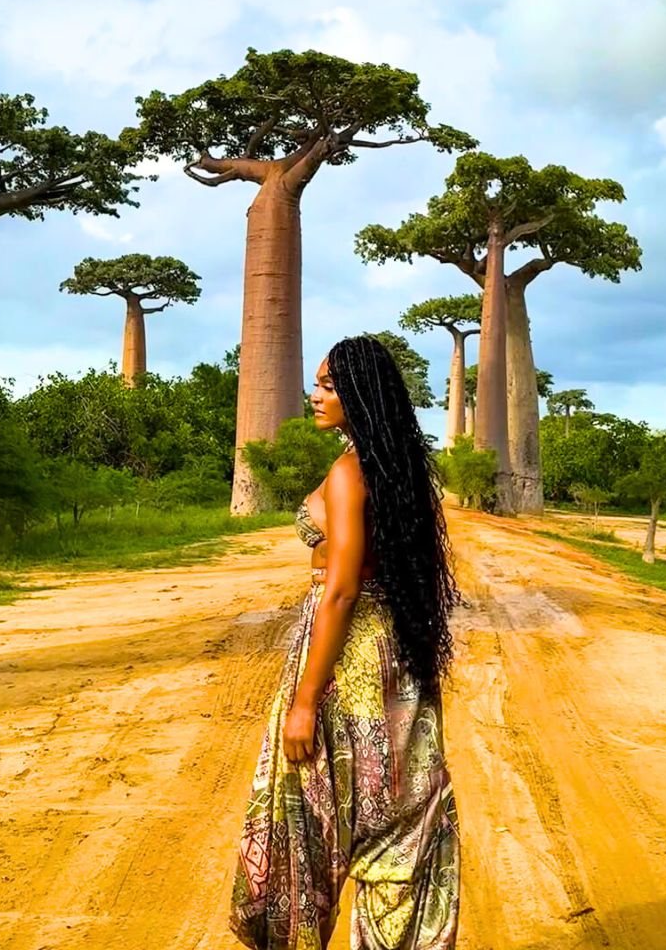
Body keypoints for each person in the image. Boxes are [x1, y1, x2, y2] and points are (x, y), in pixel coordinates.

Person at [229, 334, 461, 949]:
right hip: (398, 656)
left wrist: (305, 700)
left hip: (347, 655)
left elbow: (340, 590)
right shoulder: (398, 464)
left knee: (312, 806)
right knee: (402, 809)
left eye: (328, 385)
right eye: (317, 382)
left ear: (360, 394)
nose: (315, 395)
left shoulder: (347, 472)